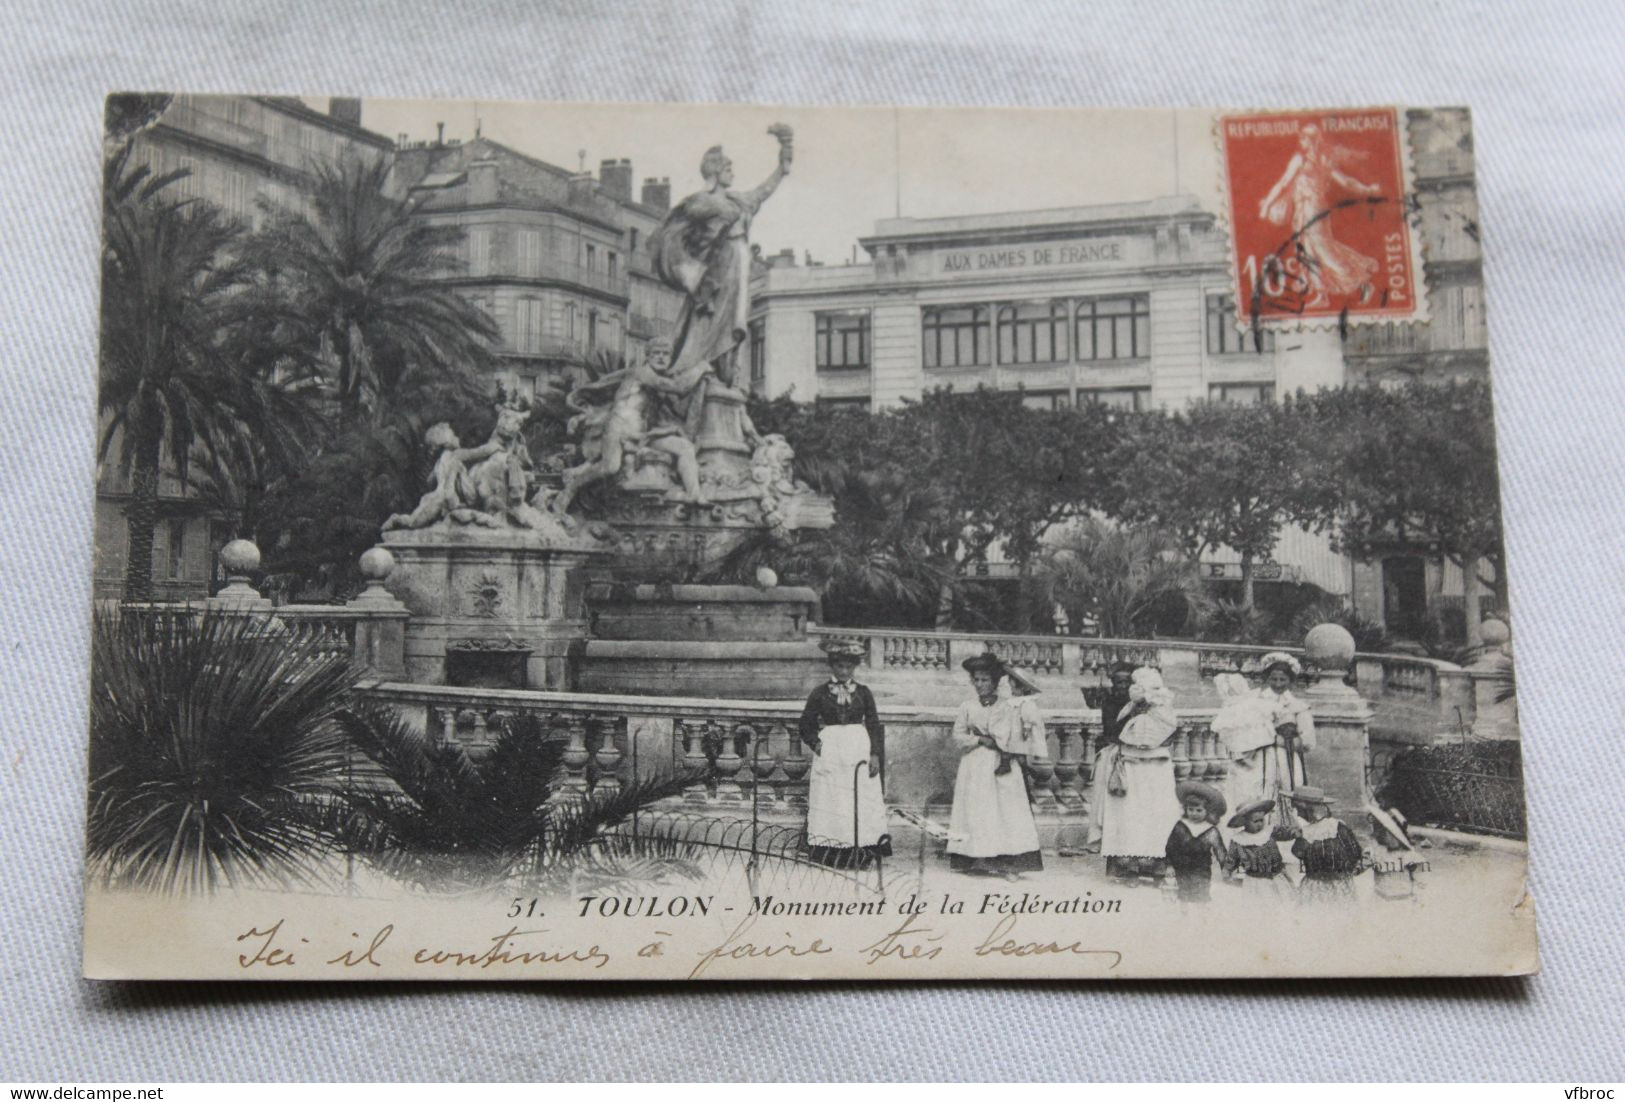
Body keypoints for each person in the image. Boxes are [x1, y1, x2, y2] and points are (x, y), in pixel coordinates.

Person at [650, 126, 793, 382]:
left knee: (734, 320)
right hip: (718, 269)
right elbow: (681, 223)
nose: (733, 173)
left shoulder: (737, 200)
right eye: (728, 169)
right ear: (715, 172)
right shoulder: (701, 201)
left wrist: (781, 166)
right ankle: (695, 368)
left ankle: (725, 374)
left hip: (740, 266)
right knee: (712, 321)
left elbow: (762, 192)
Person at [553, 337, 711, 514]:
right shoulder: (642, 373)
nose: (661, 358)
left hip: (643, 435)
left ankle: (694, 495)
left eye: (665, 354)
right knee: (610, 467)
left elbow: (680, 408)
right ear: (648, 356)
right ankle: (571, 488)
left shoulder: (657, 384)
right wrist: (701, 368)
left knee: (685, 447)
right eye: (656, 354)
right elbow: (679, 387)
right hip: (619, 428)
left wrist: (702, 385)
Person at [1256, 122, 1383, 309]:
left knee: (1323, 250)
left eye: (1305, 138)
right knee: (1308, 251)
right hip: (1306, 209)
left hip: (1312, 208)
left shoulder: (1305, 159)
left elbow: (1284, 183)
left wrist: (1267, 204)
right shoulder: (1321, 159)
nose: (1302, 141)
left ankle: (1362, 282)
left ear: (1311, 140)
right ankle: (1322, 294)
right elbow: (1346, 182)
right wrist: (1368, 189)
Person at [947, 653, 1044, 880]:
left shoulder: (1009, 706)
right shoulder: (967, 706)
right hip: (975, 763)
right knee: (978, 810)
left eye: (985, 680)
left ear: (995, 682)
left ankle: (1009, 862)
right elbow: (958, 735)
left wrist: (1004, 745)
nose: (980, 685)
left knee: (1007, 811)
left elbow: (1019, 733)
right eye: (977, 680)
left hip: (1002, 762)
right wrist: (979, 740)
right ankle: (978, 858)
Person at [797, 638, 889, 868]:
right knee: (833, 798)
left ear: (854, 668)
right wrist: (816, 744)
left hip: (858, 747)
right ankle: (829, 852)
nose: (844, 671)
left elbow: (874, 724)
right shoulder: (820, 693)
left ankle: (862, 851)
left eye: (849, 667)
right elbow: (805, 723)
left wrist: (875, 754)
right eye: (840, 666)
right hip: (831, 750)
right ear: (832, 666)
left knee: (859, 797)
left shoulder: (864, 693)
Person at [1097, 666, 1182, 883]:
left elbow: (1171, 733)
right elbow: (1114, 733)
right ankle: (1128, 867)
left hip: (1156, 768)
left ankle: (1156, 867)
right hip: (1131, 766)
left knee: (1158, 814)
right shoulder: (1126, 709)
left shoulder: (1165, 711)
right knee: (1129, 815)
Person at [1225, 653, 1316, 809]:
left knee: (1286, 793)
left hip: (1287, 759)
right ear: (1267, 678)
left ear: (1291, 680)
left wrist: (1280, 741)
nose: (1278, 684)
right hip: (1259, 759)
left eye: (1283, 680)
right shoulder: (1255, 701)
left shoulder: (1297, 706)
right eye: (1274, 679)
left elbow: (1308, 743)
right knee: (1259, 792)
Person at [382, 423, 502, 531]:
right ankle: (395, 519)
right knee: (414, 522)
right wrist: (494, 447)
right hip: (441, 498)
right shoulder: (456, 455)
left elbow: (430, 480)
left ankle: (396, 519)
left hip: (435, 496)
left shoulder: (440, 461)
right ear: (446, 441)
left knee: (413, 522)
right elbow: (477, 452)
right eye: (454, 435)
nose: (457, 438)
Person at [1077, 662, 1136, 856]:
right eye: (1118, 682)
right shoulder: (1110, 702)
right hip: (1114, 751)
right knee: (1107, 797)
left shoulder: (1138, 703)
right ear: (1112, 683)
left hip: (1132, 753)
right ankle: (1102, 837)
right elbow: (1111, 728)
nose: (1122, 686)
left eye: (1126, 682)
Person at [1282, 786, 1366, 901]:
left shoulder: (1329, 829)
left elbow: (1355, 852)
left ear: (1308, 809)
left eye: (1298, 809)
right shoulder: (1334, 827)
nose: (1297, 815)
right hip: (1329, 886)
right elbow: (1298, 853)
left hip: (1326, 886)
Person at [1165, 781, 1230, 903]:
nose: (1194, 813)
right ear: (1185, 809)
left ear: (1208, 812)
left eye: (1199, 810)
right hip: (1181, 868)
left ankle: (1202, 918)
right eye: (1191, 809)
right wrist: (1169, 865)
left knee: (1201, 895)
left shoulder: (1210, 830)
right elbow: (1171, 847)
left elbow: (1220, 850)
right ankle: (1184, 916)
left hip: (1201, 869)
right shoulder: (1181, 826)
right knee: (1183, 895)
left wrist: (1225, 868)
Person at [1223, 796, 1287, 897]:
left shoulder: (1269, 832)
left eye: (1262, 820)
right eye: (1255, 821)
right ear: (1244, 822)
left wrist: (1293, 832)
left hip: (1277, 877)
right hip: (1256, 881)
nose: (1260, 824)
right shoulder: (1239, 840)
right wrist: (1227, 871)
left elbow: (1284, 833)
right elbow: (1231, 859)